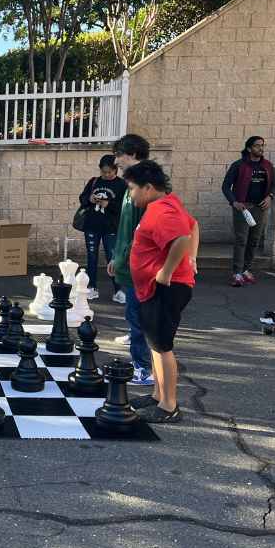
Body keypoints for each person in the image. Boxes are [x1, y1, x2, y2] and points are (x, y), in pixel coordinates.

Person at [124, 160, 200, 424]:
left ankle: (169, 406)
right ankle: (158, 395)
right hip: (158, 288)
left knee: (162, 346)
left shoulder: (161, 210)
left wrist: (167, 271)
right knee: (155, 345)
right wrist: (192, 258)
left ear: (147, 187)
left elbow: (182, 238)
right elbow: (193, 226)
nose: (131, 194)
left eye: (132, 189)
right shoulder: (167, 204)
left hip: (166, 288)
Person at [107, 134, 154, 385]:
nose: (116, 161)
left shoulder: (146, 187)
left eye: (119, 155)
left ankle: (143, 368)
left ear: (133, 154)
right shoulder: (130, 185)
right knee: (133, 314)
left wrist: (123, 257)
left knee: (138, 316)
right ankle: (138, 347)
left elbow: (143, 231)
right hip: (127, 262)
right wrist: (117, 256)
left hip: (140, 266)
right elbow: (126, 228)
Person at [221, 136, 275, 287]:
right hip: (243, 208)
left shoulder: (267, 166)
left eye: (262, 145)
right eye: (257, 145)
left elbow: (273, 184)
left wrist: (270, 197)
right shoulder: (238, 165)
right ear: (249, 148)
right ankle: (237, 273)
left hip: (260, 208)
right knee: (241, 240)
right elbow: (225, 186)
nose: (261, 148)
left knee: (254, 240)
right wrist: (234, 202)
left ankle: (246, 270)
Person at [78, 154, 126, 301]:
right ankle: (92, 287)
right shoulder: (94, 181)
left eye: (109, 172)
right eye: (103, 172)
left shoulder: (121, 184)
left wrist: (108, 204)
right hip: (92, 225)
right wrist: (90, 199)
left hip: (111, 227)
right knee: (91, 256)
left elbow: (124, 206)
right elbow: (82, 198)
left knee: (112, 257)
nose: (106, 175)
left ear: (116, 170)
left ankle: (118, 290)